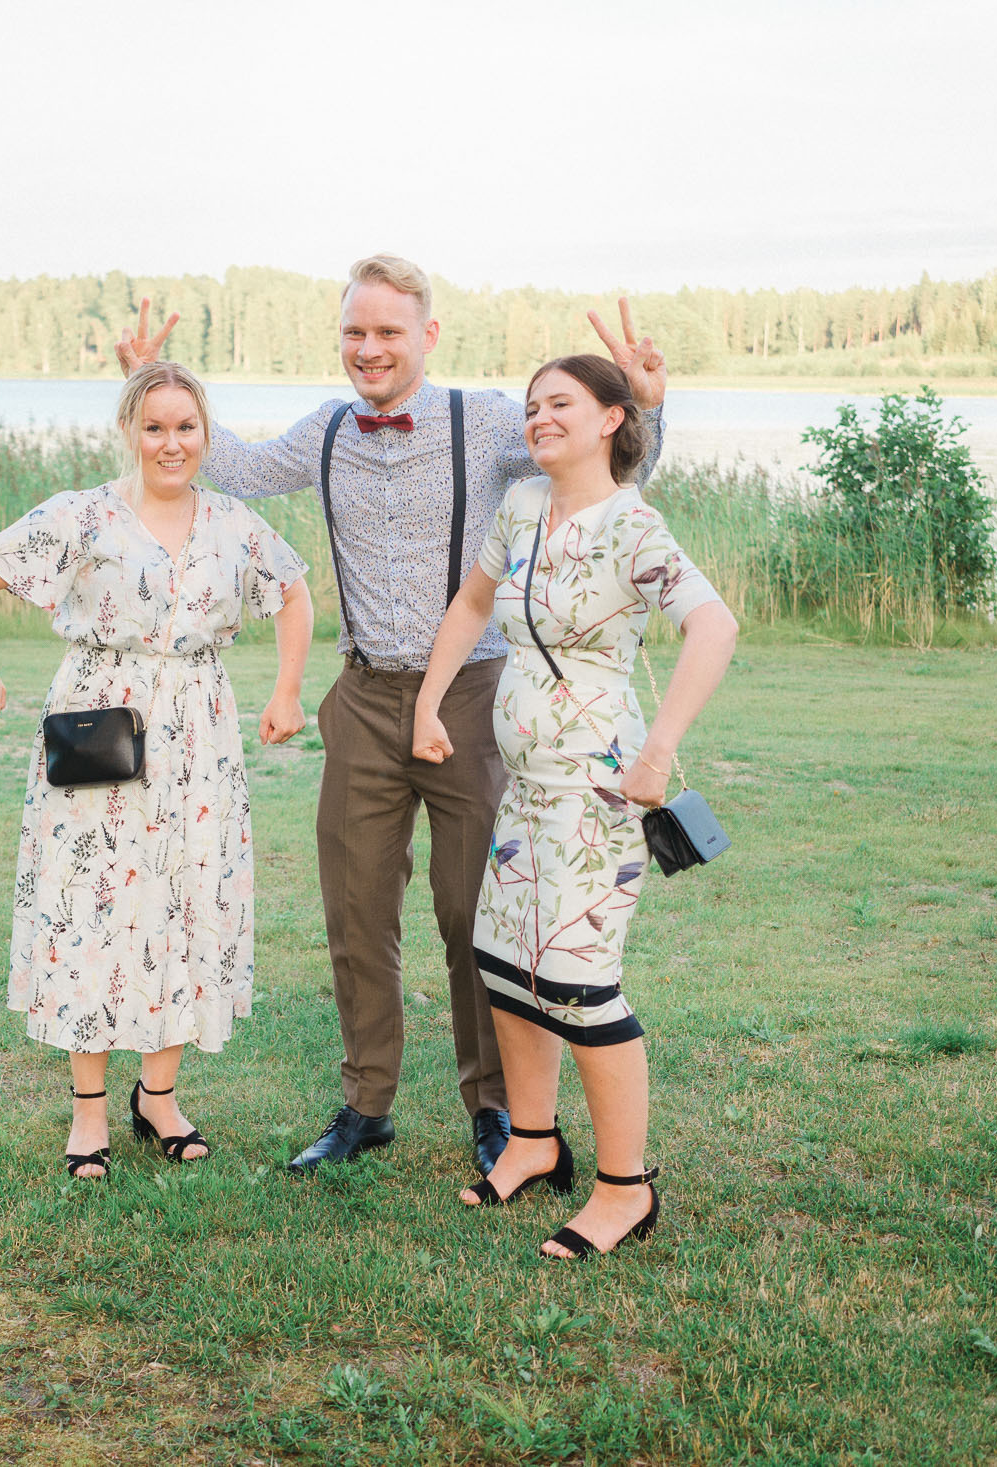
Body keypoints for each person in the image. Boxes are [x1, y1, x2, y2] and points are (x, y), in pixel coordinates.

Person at [116, 256, 669, 1176]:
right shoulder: (328, 428)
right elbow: (240, 467)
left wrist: (648, 406)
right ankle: (366, 1105)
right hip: (366, 698)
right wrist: (147, 384)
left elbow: (603, 474)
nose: (369, 349)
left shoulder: (485, 417)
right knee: (356, 911)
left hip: (473, 697)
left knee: (471, 913)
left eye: (387, 333)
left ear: (427, 337)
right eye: (354, 333)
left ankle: (501, 1113)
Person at [0, 360, 312, 1178]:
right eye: (155, 426)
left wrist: (288, 687)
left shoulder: (232, 524)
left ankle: (159, 1097)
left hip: (199, 737)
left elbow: (293, 591)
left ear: (206, 433)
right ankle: (87, 1113)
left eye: (186, 426)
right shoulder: (84, 515)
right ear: (129, 431)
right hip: (101, 723)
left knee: (185, 898)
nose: (171, 442)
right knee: (94, 905)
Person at [411, 352, 737, 1258]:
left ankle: (625, 1190)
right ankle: (532, 1140)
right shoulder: (521, 507)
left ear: (611, 419)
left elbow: (715, 625)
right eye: (531, 406)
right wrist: (430, 702)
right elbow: (473, 601)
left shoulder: (634, 528)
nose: (539, 417)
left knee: (581, 984)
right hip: (524, 790)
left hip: (597, 793)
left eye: (561, 403)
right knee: (505, 963)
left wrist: (661, 747)